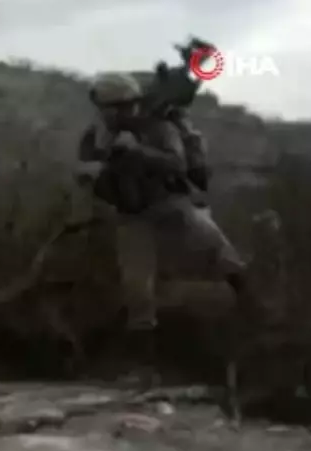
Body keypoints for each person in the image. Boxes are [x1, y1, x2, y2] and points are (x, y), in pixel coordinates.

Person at [75, 72, 260, 383]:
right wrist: (91, 173)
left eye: (123, 106)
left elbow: (176, 164)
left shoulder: (157, 128)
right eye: (112, 107)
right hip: (131, 213)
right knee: (137, 288)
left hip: (169, 203)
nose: (117, 112)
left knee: (213, 244)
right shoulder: (95, 135)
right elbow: (85, 166)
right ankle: (145, 366)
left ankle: (253, 303)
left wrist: (136, 151)